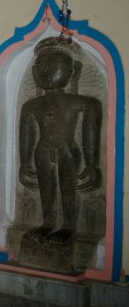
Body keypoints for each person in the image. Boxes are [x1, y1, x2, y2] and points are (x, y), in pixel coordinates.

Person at [19, 36, 102, 244]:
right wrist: (24, 163)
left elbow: (89, 134)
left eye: (53, 62)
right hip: (42, 150)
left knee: (68, 189)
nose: (45, 69)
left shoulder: (85, 103)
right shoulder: (31, 106)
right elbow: (26, 135)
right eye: (40, 64)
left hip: (67, 150)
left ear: (72, 70)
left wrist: (91, 165)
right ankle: (47, 223)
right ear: (33, 71)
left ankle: (69, 226)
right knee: (45, 189)